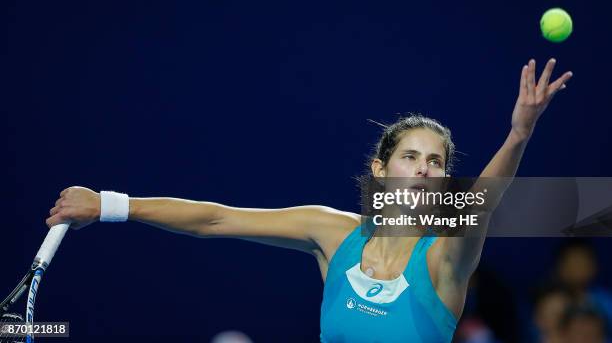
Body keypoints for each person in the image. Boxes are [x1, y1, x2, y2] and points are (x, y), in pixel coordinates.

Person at [46, 58, 572, 342]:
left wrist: (519, 135)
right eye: (410, 157)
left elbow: (480, 204)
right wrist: (110, 204)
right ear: (380, 170)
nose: (423, 169)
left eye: (435, 162)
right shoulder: (330, 233)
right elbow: (216, 220)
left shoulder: (443, 259)